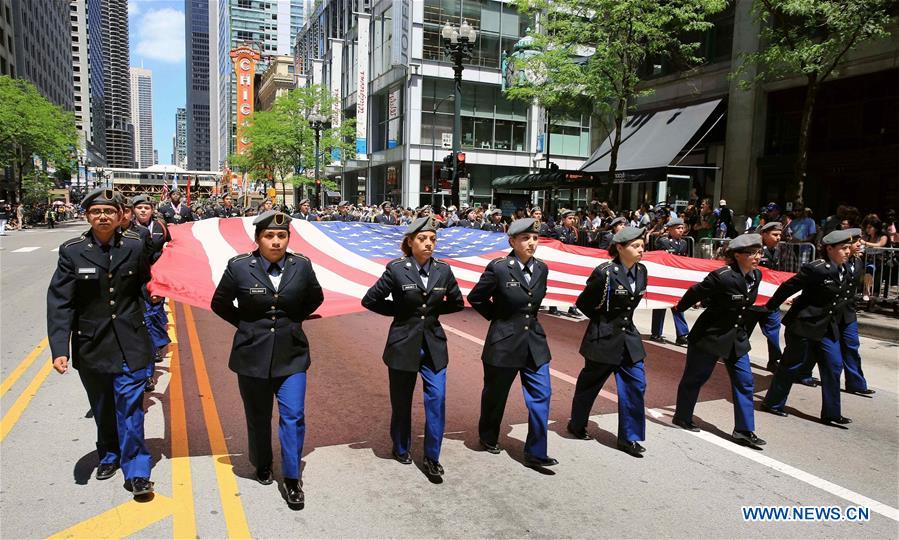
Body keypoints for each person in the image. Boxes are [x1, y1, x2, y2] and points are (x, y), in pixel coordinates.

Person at [46, 188, 156, 498]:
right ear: (88, 216)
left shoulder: (135, 246)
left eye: (109, 211)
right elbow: (60, 303)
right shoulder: (72, 251)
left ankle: (136, 470)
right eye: (96, 212)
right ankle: (109, 453)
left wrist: (155, 292)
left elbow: (145, 282)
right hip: (92, 343)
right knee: (103, 406)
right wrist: (59, 349)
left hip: (131, 340)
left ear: (121, 215)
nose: (103, 216)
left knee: (131, 407)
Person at [210, 211, 324, 508]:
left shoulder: (302, 265)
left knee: (293, 416)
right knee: (258, 415)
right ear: (258, 238)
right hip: (251, 354)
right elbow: (219, 303)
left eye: (281, 236)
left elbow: (316, 298)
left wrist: (292, 320)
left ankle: (291, 477)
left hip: (292, 353)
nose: (276, 241)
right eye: (269, 236)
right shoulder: (239, 267)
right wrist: (246, 325)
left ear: (288, 238)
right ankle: (262, 462)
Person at [361, 217, 464, 479]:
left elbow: (456, 302)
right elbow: (370, 300)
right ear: (410, 241)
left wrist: (431, 314)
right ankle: (401, 446)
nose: (428, 244)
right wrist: (400, 312)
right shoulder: (396, 269)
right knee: (402, 400)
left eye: (432, 239)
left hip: (433, 345)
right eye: (422, 239)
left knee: (437, 399)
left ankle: (432, 456)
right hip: (403, 343)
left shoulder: (443, 269)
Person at [468, 218, 557, 467]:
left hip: (534, 343)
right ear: (512, 241)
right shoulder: (498, 268)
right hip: (504, 343)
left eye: (535, 238)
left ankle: (536, 451)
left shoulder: (542, 268)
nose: (531, 243)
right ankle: (488, 436)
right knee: (496, 396)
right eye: (525, 238)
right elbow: (477, 298)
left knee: (542, 394)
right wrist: (499, 320)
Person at [671, 234, 767, 447]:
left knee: (745, 382)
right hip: (710, 336)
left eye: (758, 252)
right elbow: (696, 292)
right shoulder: (722, 276)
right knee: (695, 378)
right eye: (751, 253)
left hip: (736, 338)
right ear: (736, 255)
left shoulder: (756, 276)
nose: (756, 257)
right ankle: (682, 416)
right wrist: (680, 308)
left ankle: (743, 430)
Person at [567, 226, 649, 457]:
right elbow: (583, 303)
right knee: (589, 386)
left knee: (636, 385)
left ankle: (629, 437)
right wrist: (603, 323)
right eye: (635, 246)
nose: (641, 250)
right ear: (620, 248)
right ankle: (577, 424)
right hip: (603, 338)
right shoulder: (605, 272)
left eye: (642, 245)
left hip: (629, 340)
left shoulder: (642, 271)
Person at [761, 229, 857, 426]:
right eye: (844, 248)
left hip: (826, 328)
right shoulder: (817, 269)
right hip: (803, 324)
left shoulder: (845, 269)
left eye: (849, 248)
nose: (848, 252)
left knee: (833, 366)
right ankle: (773, 403)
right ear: (829, 249)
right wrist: (770, 306)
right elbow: (789, 287)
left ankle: (832, 413)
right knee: (791, 365)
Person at [841, 228, 874, 396]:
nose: (860, 244)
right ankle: (802, 372)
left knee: (851, 346)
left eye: (860, 241)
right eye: (856, 242)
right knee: (814, 346)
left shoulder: (859, 262)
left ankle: (856, 383)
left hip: (848, 313)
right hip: (829, 314)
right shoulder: (836, 262)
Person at [650, 218, 691, 345]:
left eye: (682, 228)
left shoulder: (684, 243)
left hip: (677, 278)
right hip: (664, 278)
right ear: (671, 229)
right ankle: (656, 333)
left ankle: (682, 334)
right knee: (660, 306)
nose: (681, 230)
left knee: (678, 306)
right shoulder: (663, 242)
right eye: (678, 228)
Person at [757, 221, 785, 372]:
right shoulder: (755, 250)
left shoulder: (778, 251)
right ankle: (733, 355)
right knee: (742, 331)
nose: (778, 238)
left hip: (770, 299)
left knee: (774, 328)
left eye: (780, 234)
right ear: (764, 234)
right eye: (775, 235)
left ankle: (775, 360)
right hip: (753, 299)